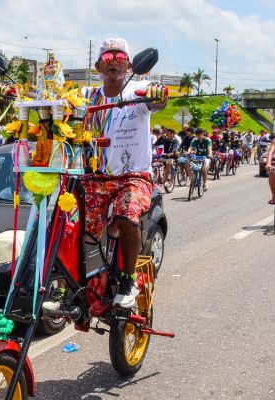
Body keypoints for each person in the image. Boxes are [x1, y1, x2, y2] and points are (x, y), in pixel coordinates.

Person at [78, 37, 167, 308]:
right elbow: (50, 99)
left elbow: (159, 98)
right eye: (107, 57)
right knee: (70, 222)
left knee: (128, 214)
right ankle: (69, 282)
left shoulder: (138, 90)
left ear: (129, 65)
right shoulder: (85, 96)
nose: (114, 61)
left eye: (119, 57)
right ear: (98, 66)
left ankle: (128, 281)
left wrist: (158, 94)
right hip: (96, 178)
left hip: (134, 177)